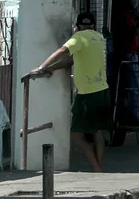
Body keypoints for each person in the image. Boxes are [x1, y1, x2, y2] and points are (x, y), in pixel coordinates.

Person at [31, 12, 110, 172]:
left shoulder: (79, 38)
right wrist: (52, 68)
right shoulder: (99, 38)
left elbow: (62, 51)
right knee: (97, 131)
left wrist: (41, 68)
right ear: (93, 25)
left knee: (75, 133)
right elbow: (72, 60)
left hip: (88, 93)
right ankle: (99, 169)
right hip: (103, 89)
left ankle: (96, 168)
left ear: (77, 26)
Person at [117, 0, 139, 123]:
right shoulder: (125, 15)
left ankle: (131, 111)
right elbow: (131, 33)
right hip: (129, 53)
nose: (136, 1)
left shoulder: (128, 15)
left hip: (131, 52)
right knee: (133, 85)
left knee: (131, 84)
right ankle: (133, 113)